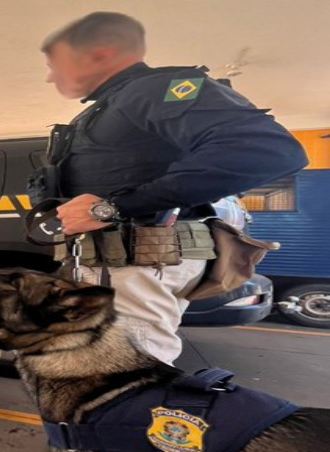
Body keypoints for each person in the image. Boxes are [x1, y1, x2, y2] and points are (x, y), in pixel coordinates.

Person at [40, 12, 308, 364]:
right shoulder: (117, 105)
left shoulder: (151, 91)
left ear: (101, 54)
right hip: (122, 261)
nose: (50, 77)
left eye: (56, 65)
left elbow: (267, 152)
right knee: (104, 375)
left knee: (120, 378)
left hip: (136, 259)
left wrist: (110, 209)